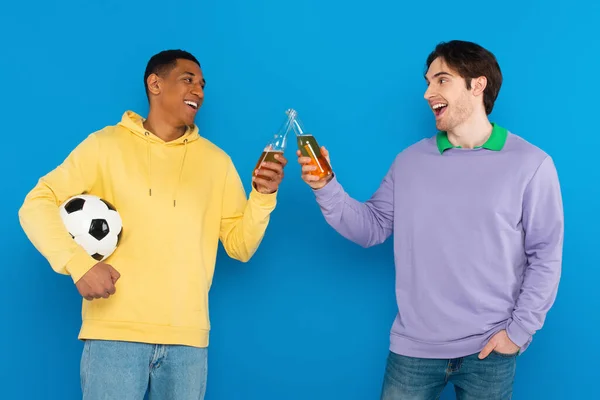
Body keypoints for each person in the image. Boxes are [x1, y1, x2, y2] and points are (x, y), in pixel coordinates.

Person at [297, 40, 563, 399]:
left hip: (490, 348)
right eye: (427, 82)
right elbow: (371, 227)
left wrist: (519, 333)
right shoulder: (409, 162)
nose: (427, 93)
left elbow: (545, 255)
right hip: (414, 349)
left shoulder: (531, 164)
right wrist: (326, 185)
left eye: (441, 81)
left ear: (477, 85)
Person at [19, 49, 287, 400]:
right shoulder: (104, 146)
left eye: (202, 85)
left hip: (188, 339)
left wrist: (263, 195)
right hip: (114, 334)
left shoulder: (216, 162)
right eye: (188, 80)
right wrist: (78, 264)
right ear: (155, 84)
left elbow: (240, 246)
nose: (199, 92)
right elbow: (35, 204)